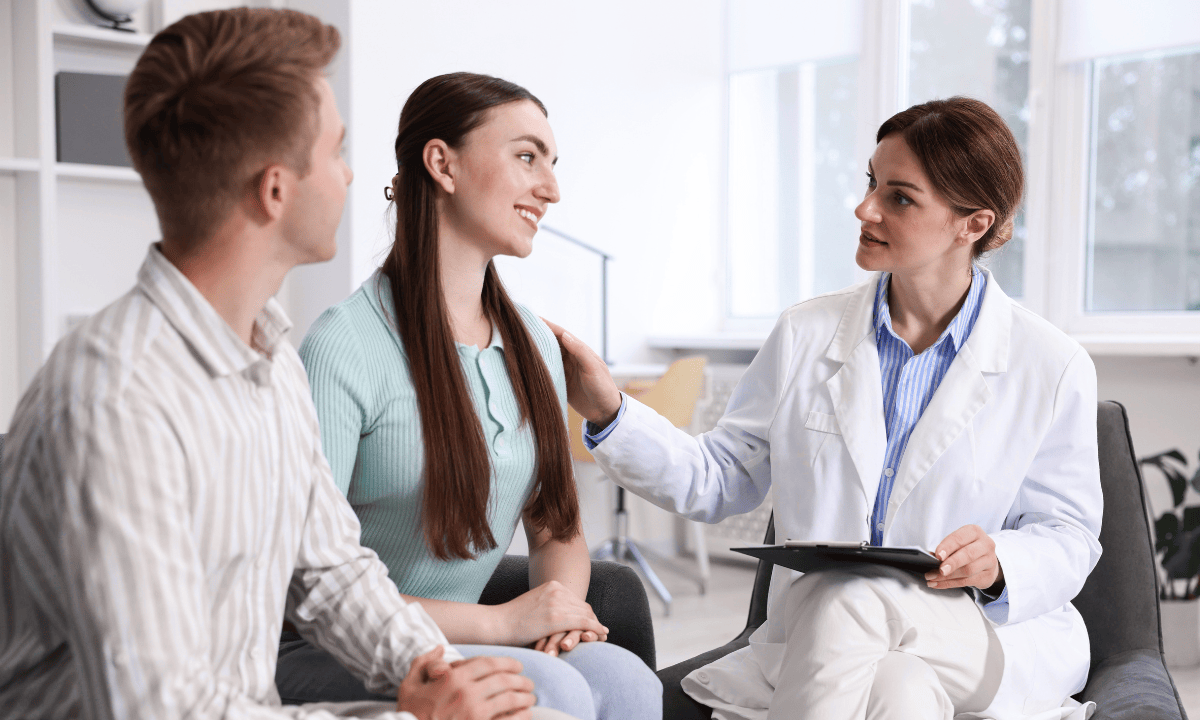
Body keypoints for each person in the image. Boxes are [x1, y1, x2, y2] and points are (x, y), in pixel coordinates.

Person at [0, 10, 572, 720]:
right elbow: (159, 708)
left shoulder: (266, 362)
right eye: (335, 151)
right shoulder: (116, 400)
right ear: (275, 191)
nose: (352, 173)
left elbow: (331, 571)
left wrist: (427, 671)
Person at [551, 97, 1103, 720]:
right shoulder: (806, 334)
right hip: (834, 650)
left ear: (971, 224)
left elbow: (1069, 535)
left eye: (900, 197)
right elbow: (721, 477)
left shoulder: (1050, 364)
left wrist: (1000, 562)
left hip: (983, 638)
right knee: (898, 689)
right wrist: (607, 408)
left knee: (846, 597)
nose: (865, 208)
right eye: (872, 182)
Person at [274, 72, 661, 720]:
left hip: (464, 634)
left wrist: (558, 611)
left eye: (552, 163)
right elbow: (303, 586)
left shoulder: (533, 340)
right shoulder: (344, 346)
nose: (551, 189)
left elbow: (555, 528)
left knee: (628, 684)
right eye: (527, 157)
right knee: (553, 691)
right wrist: (508, 623)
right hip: (335, 649)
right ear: (441, 163)